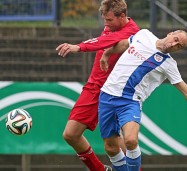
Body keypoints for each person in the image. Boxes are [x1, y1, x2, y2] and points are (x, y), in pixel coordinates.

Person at [98, 29, 187, 171]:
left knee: (130, 140)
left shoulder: (169, 65)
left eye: (179, 46)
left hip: (130, 101)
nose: (175, 44)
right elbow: (124, 44)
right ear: (170, 33)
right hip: (107, 95)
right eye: (176, 39)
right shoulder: (144, 34)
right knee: (110, 148)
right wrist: (107, 53)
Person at [55, 0, 139, 171]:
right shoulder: (112, 26)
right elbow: (105, 40)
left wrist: (78, 47)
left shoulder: (132, 32)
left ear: (122, 16)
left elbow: (105, 42)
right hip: (93, 86)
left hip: (114, 91)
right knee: (70, 134)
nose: (105, 24)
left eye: (109, 20)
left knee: (114, 141)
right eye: (104, 20)